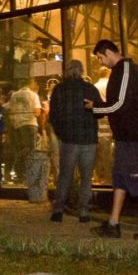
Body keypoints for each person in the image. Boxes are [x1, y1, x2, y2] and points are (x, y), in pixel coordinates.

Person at [87, 39, 138, 241]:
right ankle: (113, 223)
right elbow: (120, 104)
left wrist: (95, 107)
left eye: (100, 58)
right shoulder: (126, 70)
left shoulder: (125, 71)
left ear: (107, 53)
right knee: (121, 177)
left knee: (134, 176)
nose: (101, 63)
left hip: (131, 135)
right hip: (127, 135)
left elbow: (119, 105)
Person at [48, 60, 102, 223]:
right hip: (88, 138)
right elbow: (99, 112)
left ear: (67, 72)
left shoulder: (59, 90)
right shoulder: (90, 89)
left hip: (69, 139)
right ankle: (83, 212)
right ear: (81, 71)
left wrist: (61, 133)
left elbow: (53, 116)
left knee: (65, 175)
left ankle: (58, 210)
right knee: (86, 177)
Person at [5, 80, 41, 184]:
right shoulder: (33, 95)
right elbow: (37, 112)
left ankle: (21, 174)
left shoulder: (14, 95)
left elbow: (9, 109)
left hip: (17, 125)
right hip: (29, 124)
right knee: (30, 149)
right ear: (30, 84)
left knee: (20, 148)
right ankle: (20, 168)